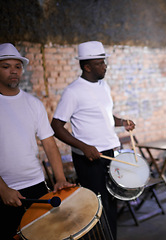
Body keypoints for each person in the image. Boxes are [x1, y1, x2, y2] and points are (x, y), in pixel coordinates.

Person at [51, 41, 135, 239]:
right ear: (87, 66)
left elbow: (104, 115)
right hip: (89, 158)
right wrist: (84, 147)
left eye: (104, 62)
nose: (105, 66)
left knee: (112, 203)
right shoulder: (73, 92)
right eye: (99, 63)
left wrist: (121, 121)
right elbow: (56, 126)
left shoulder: (103, 85)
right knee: (97, 208)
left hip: (110, 153)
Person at [0, 43, 75, 239]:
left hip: (36, 185)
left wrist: (59, 178)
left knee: (44, 235)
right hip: (5, 189)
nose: (13, 71)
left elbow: (49, 144)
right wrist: (3, 189)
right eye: (6, 66)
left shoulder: (34, 104)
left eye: (17, 66)